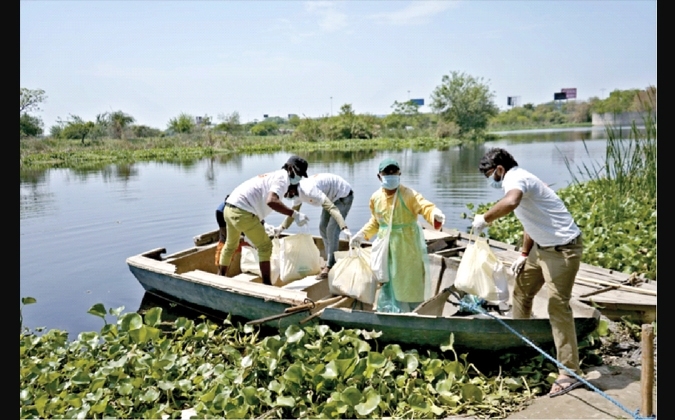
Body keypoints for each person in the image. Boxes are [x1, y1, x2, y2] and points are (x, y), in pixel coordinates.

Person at [471, 147, 584, 398]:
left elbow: (511, 203)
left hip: (563, 249)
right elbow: (529, 221)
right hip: (540, 249)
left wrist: (485, 218)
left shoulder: (514, 178)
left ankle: (569, 373)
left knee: (557, 305)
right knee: (522, 291)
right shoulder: (517, 179)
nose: (490, 180)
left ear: (499, 169)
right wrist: (524, 254)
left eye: (489, 174)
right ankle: (523, 344)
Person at [350, 157, 445, 313]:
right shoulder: (375, 198)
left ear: (400, 173)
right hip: (386, 246)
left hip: (407, 246)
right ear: (379, 176)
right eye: (387, 172)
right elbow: (376, 221)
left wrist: (434, 214)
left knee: (409, 279)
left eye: (394, 171)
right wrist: (362, 235)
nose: (391, 174)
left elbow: (424, 206)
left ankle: (414, 311)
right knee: (388, 279)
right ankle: (390, 311)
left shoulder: (409, 195)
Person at [218, 156, 310, 285]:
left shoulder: (275, 176)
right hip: (242, 212)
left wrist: (264, 225)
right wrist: (294, 214)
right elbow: (271, 201)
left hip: (229, 208)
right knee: (265, 246)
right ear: (290, 168)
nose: (299, 177)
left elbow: (260, 201)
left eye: (301, 175)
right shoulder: (283, 179)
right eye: (298, 173)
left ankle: (220, 277)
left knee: (230, 245)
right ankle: (267, 285)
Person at [275, 173, 353, 279]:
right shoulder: (296, 195)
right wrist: (281, 228)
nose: (285, 196)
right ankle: (332, 259)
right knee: (322, 227)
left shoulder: (309, 190)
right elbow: (293, 213)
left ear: (292, 189)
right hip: (331, 198)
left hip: (343, 195)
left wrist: (344, 227)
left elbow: (332, 209)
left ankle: (330, 265)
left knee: (331, 230)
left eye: (286, 194)